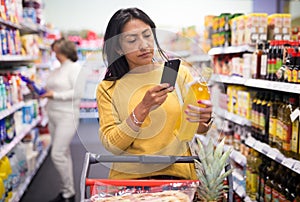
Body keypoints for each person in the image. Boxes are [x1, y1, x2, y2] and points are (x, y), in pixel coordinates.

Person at [96, 8, 213, 180]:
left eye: (147, 35)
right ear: (119, 48)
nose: (143, 45)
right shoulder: (108, 88)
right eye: (132, 40)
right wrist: (143, 108)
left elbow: (196, 129)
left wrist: (204, 118)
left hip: (178, 175)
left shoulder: (178, 74)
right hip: (130, 181)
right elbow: (112, 145)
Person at [40, 38, 82, 202]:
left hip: (67, 116)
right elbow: (49, 88)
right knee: (63, 153)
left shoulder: (75, 68)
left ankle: (68, 192)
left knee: (57, 154)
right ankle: (67, 191)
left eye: (55, 50)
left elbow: (77, 93)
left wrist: (54, 95)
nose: (54, 53)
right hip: (53, 114)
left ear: (62, 50)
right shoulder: (57, 69)